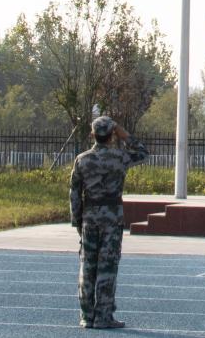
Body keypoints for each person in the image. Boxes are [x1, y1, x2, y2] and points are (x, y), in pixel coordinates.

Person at [69, 116, 149, 329]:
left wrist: (77, 220)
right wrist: (124, 135)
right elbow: (143, 153)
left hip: (90, 217)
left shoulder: (82, 159)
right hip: (112, 218)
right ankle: (104, 316)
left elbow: (74, 193)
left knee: (88, 266)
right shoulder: (120, 157)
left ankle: (87, 316)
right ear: (112, 134)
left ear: (92, 134)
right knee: (108, 266)